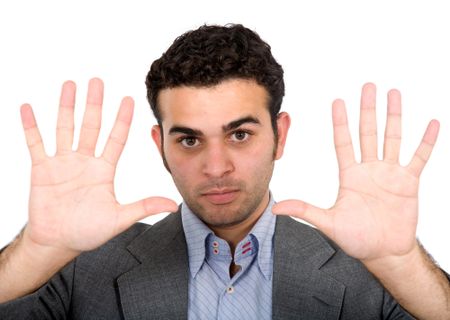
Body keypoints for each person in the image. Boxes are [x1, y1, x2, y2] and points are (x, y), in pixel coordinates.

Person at [0, 23, 448, 320]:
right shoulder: (82, 265)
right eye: (190, 140)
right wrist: (38, 249)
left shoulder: (368, 267)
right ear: (161, 146)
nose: (216, 167)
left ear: (280, 135)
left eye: (239, 135)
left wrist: (401, 262)